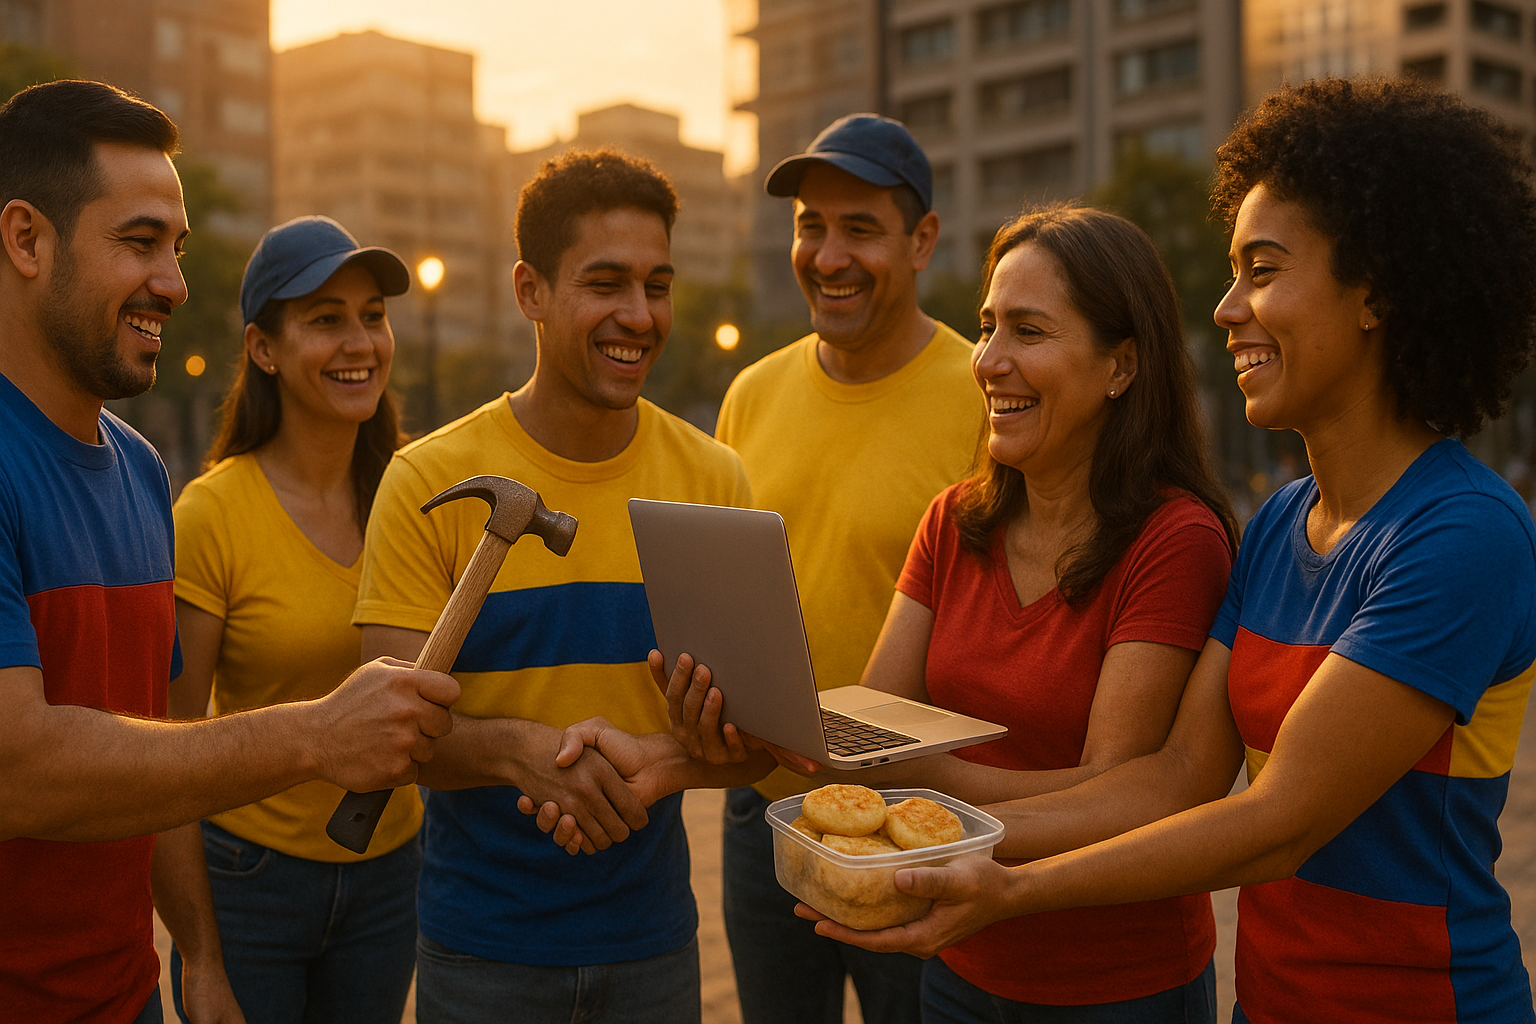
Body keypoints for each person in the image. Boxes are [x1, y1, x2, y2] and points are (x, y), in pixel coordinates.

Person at [811, 77, 1536, 1024]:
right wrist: (944, 832)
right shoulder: (1279, 525)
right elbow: (1180, 777)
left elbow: (1276, 825)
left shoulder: (1465, 534)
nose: (1228, 306)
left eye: (1263, 270)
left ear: (1377, 293)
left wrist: (996, 874)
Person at [660, 206, 1239, 1022]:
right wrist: (731, 721)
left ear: (1122, 364)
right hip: (962, 963)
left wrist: (933, 781)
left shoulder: (1175, 540)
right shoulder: (955, 520)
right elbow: (876, 723)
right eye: (988, 327)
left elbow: (1111, 795)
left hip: (1112, 985)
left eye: (1029, 332)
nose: (991, 362)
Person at [0, 81, 456, 1024]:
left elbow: (162, 751)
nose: (172, 282)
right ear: (26, 240)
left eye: (177, 248)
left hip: (125, 996)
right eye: (138, 242)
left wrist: (198, 958)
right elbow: (21, 769)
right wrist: (313, 734)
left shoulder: (136, 472)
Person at [352, 147, 772, 1024]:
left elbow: (764, 743)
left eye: (657, 285)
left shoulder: (714, 477)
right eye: (605, 283)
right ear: (529, 292)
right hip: (480, 953)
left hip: (654, 946)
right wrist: (520, 753)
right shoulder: (424, 479)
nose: (639, 315)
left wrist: (660, 765)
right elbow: (383, 738)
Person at [711, 111, 984, 1024]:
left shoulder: (987, 394)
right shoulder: (751, 394)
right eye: (809, 226)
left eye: (859, 229)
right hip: (768, 821)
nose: (827, 255)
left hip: (921, 822)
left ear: (922, 243)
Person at [166, 216, 420, 1023]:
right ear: (263, 348)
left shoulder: (411, 500)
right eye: (324, 319)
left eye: (372, 314)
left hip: (394, 875)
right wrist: (201, 957)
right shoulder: (210, 514)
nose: (360, 342)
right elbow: (167, 749)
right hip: (252, 882)